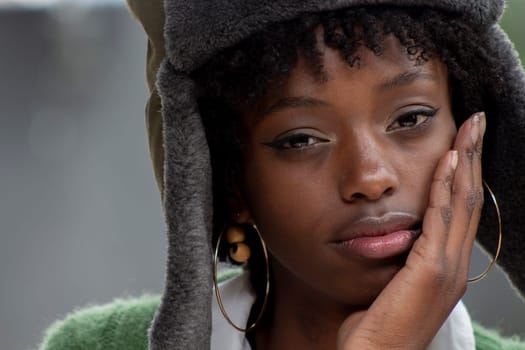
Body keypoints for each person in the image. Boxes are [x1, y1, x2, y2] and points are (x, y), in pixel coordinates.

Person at [39, 0, 525, 349]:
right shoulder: (93, 345)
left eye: (411, 118)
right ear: (229, 180)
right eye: (300, 140)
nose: (371, 177)